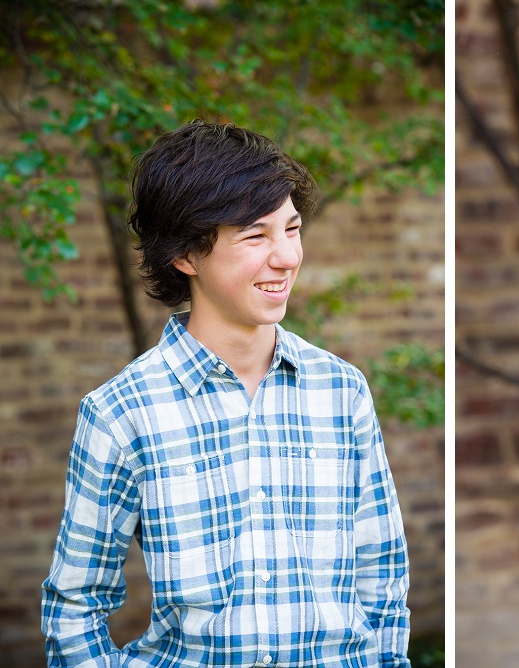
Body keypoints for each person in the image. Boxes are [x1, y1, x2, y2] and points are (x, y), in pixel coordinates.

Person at [41, 120, 410, 667]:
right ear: (186, 255)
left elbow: (382, 578)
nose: (286, 257)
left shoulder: (342, 391)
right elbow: (75, 605)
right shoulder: (122, 413)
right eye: (256, 236)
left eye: (292, 229)